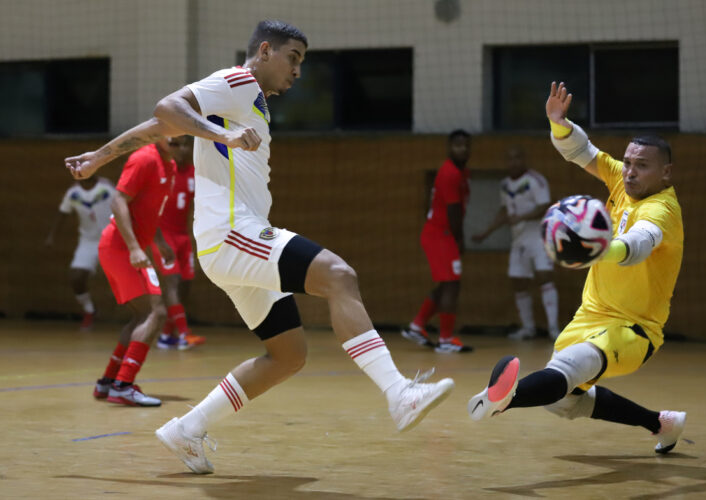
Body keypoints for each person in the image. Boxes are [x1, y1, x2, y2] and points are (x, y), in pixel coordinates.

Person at [66, 20, 454, 474]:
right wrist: (224, 136)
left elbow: (159, 125)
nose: (298, 72)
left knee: (288, 355)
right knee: (339, 275)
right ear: (265, 51)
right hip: (233, 233)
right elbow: (167, 108)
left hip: (230, 243)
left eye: (302, 63)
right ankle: (398, 393)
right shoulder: (238, 80)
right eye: (294, 59)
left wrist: (98, 157)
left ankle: (186, 429)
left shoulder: (248, 100)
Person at [467, 81, 687, 455]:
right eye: (628, 163)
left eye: (642, 166)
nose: (630, 172)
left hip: (634, 328)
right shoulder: (622, 180)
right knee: (560, 400)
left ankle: (500, 400)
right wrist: (558, 121)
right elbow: (581, 150)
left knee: (569, 368)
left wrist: (600, 250)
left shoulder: (662, 211)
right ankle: (660, 423)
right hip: (589, 316)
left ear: (666, 173)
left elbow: (637, 245)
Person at [92, 139, 179, 406]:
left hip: (132, 247)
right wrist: (133, 248)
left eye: (184, 136)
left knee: (142, 315)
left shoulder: (170, 166)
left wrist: (160, 242)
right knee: (157, 312)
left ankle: (108, 382)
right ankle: (124, 384)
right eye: (171, 133)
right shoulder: (144, 158)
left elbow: (149, 212)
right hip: (121, 247)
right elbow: (118, 201)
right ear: (159, 132)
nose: (177, 140)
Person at [472, 147, 560, 340]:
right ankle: (528, 328)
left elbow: (545, 206)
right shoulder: (505, 185)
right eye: (510, 159)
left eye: (517, 158)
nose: (513, 163)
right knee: (518, 281)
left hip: (538, 237)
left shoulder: (536, 181)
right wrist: (486, 233)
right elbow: (504, 211)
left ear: (524, 160)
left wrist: (521, 217)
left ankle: (553, 329)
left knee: (545, 277)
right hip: (518, 240)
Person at [401, 130, 473, 353]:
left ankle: (417, 326)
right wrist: (459, 240)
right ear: (449, 148)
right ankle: (445, 339)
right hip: (442, 235)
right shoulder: (450, 173)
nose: (461, 149)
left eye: (465, 145)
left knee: (446, 284)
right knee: (452, 284)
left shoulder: (461, 172)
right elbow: (453, 212)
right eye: (457, 145)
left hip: (439, 234)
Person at [149, 135, 206, 350]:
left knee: (185, 285)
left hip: (183, 236)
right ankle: (183, 334)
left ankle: (166, 335)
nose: (182, 150)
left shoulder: (193, 173)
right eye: (177, 145)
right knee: (171, 284)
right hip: (165, 237)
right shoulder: (161, 171)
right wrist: (156, 240)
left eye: (185, 146)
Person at [45, 176, 117, 330]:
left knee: (124, 278)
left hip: (112, 239)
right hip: (88, 241)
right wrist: (52, 235)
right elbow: (62, 212)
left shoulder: (106, 187)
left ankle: (140, 316)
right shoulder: (73, 193)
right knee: (76, 276)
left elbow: (124, 204)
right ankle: (89, 309)